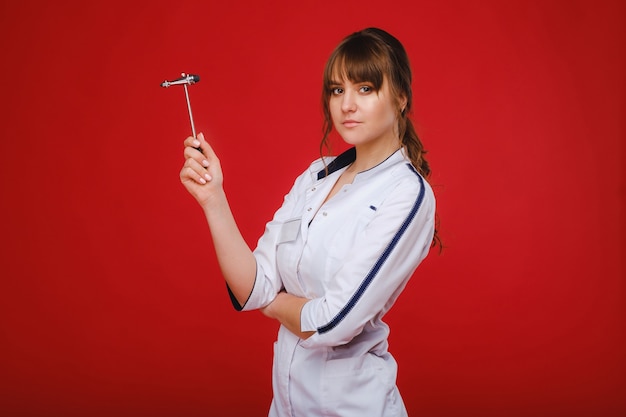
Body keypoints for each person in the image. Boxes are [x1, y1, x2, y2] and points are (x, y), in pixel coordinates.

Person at [180, 27, 439, 417]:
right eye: (337, 90)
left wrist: (275, 303)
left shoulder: (406, 194)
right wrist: (213, 199)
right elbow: (253, 287)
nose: (347, 104)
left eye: (365, 88)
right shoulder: (316, 177)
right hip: (286, 406)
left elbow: (332, 322)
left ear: (401, 97)